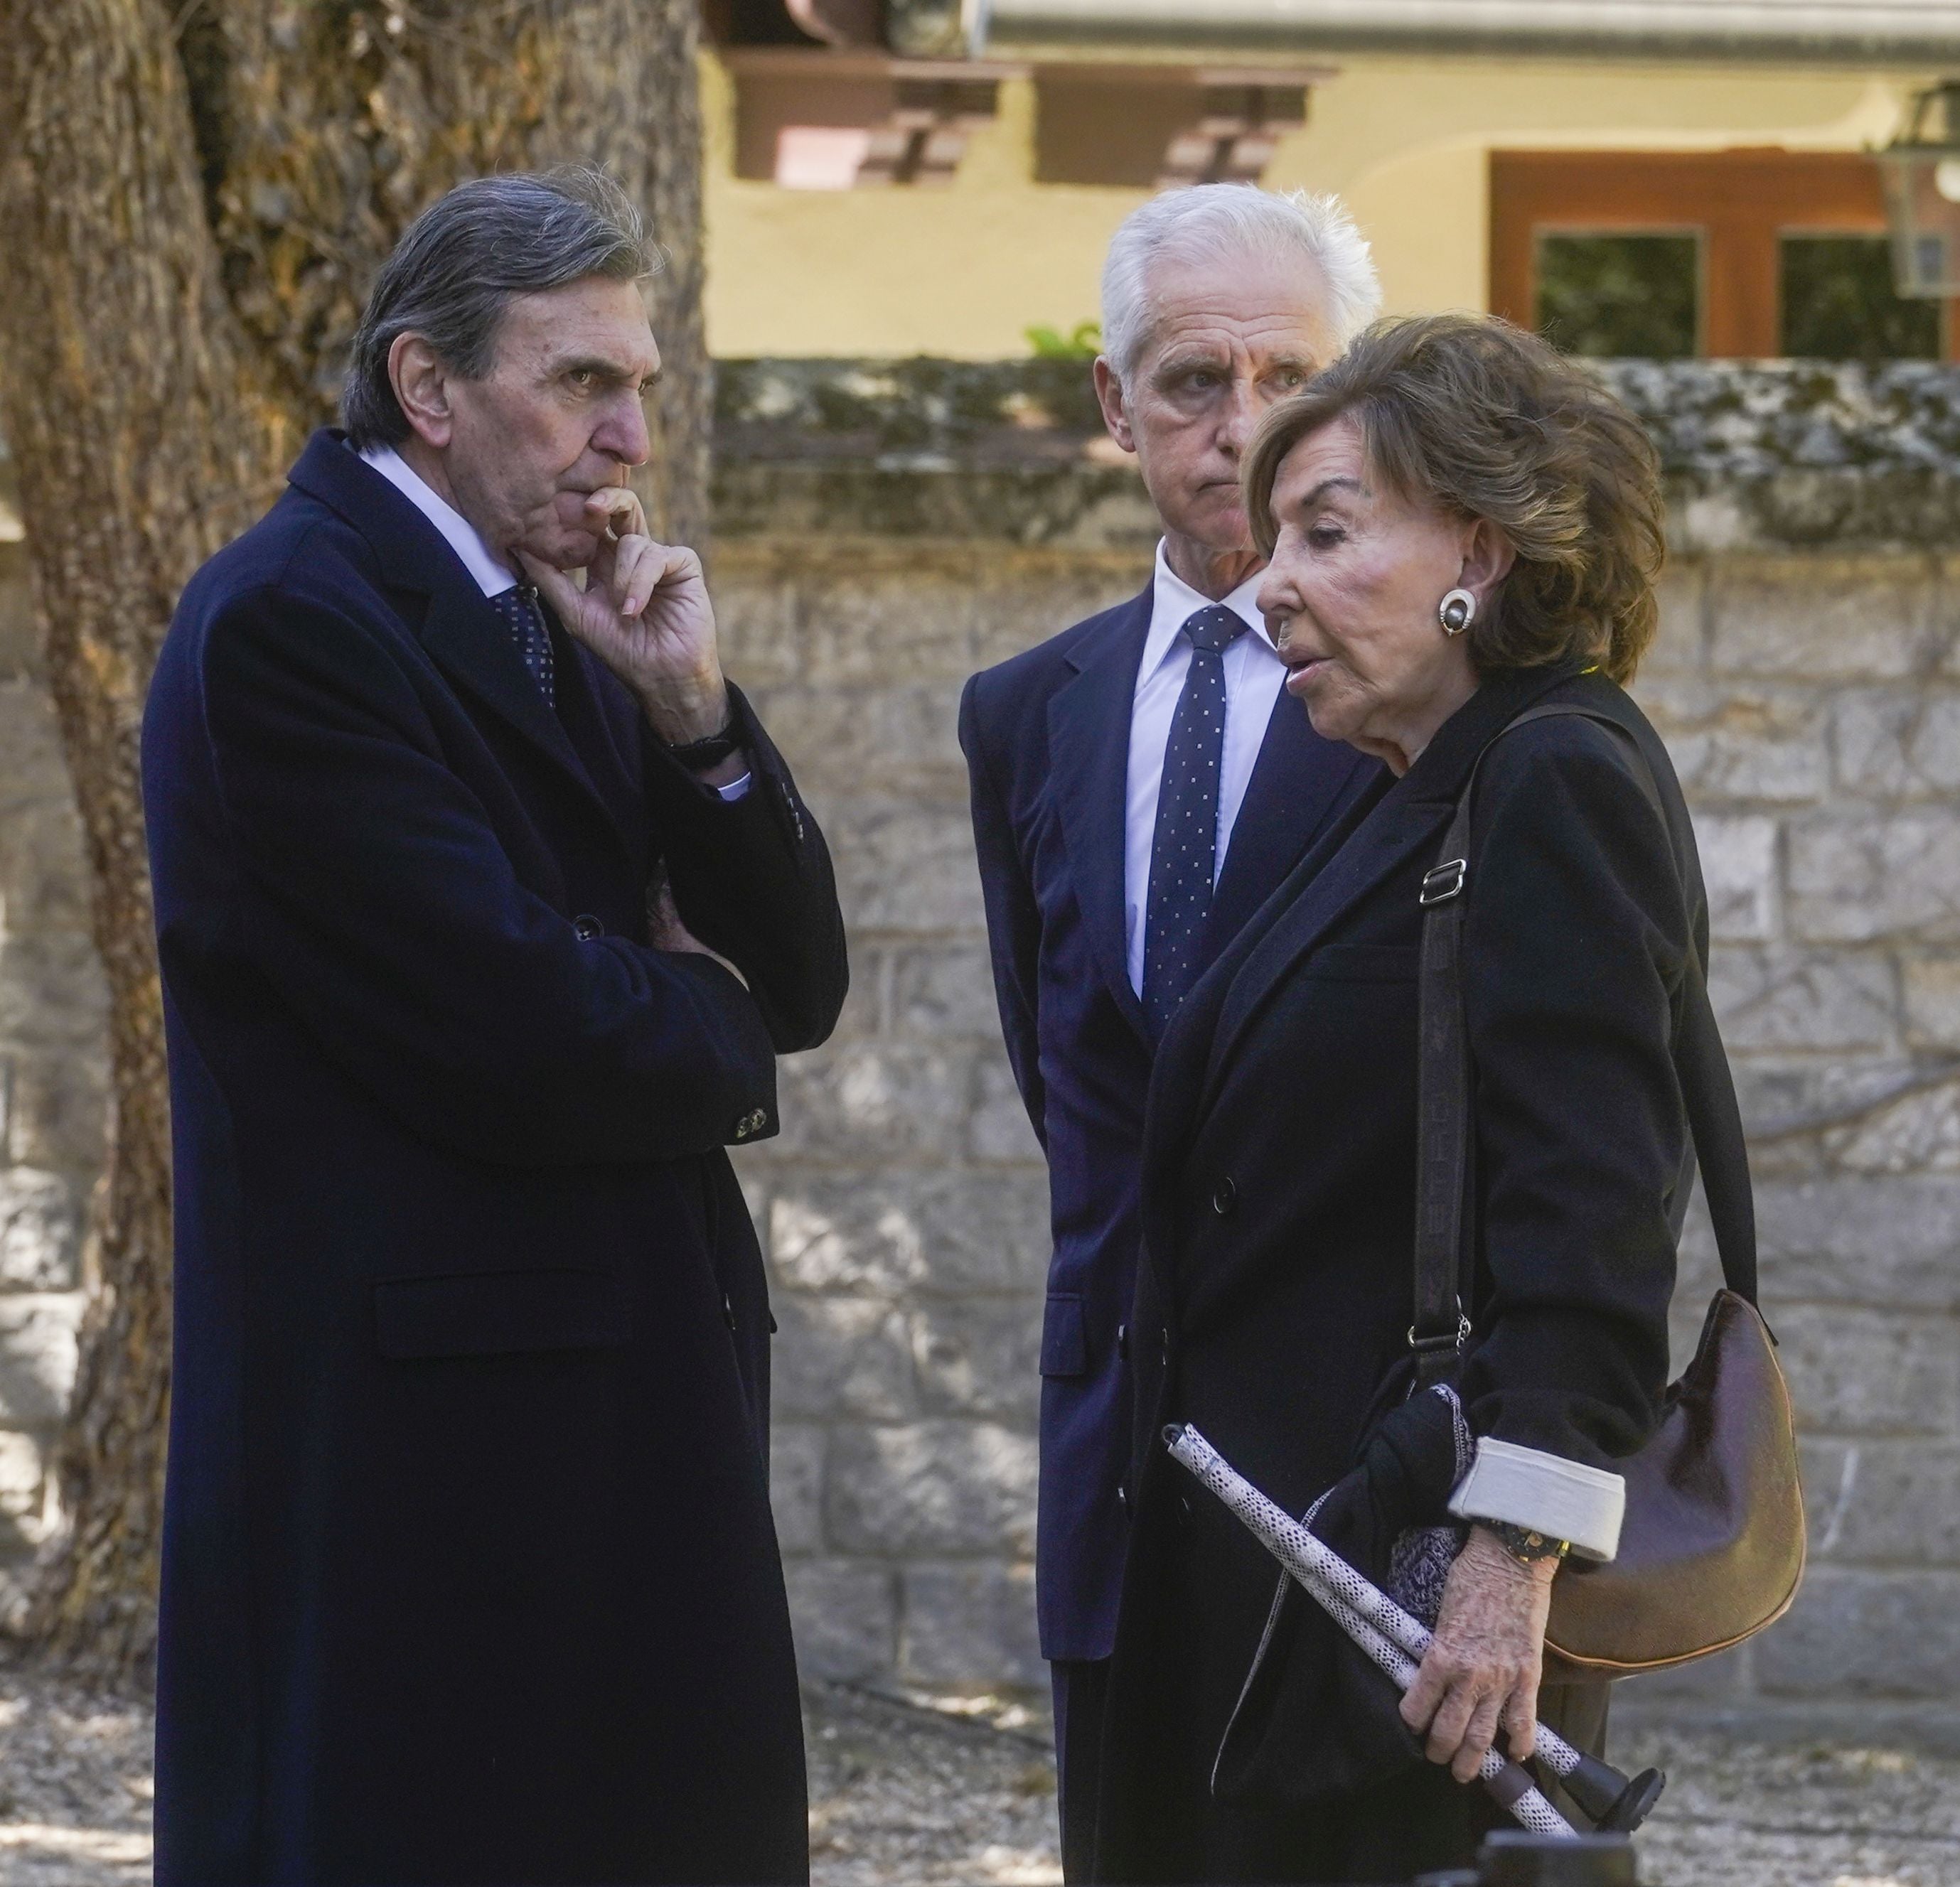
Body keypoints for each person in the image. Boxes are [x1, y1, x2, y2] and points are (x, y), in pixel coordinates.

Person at [142, 169, 847, 1886]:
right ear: (427, 386)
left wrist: (690, 719)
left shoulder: (564, 609)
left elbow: (806, 982)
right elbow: (527, 1028)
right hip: (424, 1474)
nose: (626, 437)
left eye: (642, 390)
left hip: (607, 1419)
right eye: (579, 383)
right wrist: (701, 1006)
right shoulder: (294, 621)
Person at [1093, 313, 1698, 1883]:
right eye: (1272, 534)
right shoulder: (1402, 787)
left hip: (1405, 1609)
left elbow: (1593, 1200)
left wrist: (1504, 1561)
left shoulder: (1548, 769)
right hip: (1270, 1558)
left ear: (1477, 554)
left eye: (1326, 530)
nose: (1268, 575)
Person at [958, 184, 1387, 1876]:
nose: (1244, 425)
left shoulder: (1450, 709)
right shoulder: (1022, 715)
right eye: (1191, 378)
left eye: (1290, 374)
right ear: (1109, 407)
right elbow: (1075, 1079)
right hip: (1117, 1490)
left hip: (1363, 1502)